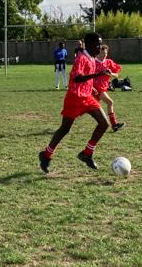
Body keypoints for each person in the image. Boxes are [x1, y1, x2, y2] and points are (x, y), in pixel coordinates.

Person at [39, 32, 113, 172]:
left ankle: (87, 153)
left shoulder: (91, 58)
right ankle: (46, 154)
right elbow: (77, 78)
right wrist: (98, 74)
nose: (99, 46)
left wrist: (91, 89)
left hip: (86, 97)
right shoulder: (81, 58)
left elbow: (85, 79)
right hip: (74, 97)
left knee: (104, 124)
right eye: (97, 44)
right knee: (65, 129)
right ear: (90, 44)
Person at [93, 44, 124, 132]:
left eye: (106, 53)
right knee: (110, 102)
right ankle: (114, 124)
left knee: (86, 108)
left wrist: (110, 73)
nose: (104, 55)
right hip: (96, 88)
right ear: (98, 53)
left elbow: (117, 75)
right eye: (102, 53)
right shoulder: (93, 62)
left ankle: (68, 121)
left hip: (103, 88)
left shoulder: (108, 62)